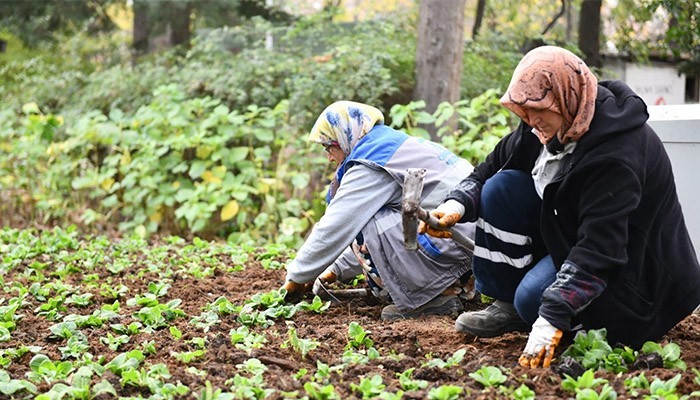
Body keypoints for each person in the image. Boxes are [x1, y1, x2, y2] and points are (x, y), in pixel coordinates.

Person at [421, 46, 700, 368]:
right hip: (576, 239)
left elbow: (600, 250)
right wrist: (456, 205)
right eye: (524, 114)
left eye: (538, 112)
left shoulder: (616, 155)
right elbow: (490, 167)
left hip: (638, 275)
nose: (531, 122)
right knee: (502, 187)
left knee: (536, 302)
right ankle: (506, 304)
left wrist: (550, 317)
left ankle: (585, 328)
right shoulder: (547, 124)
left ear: (565, 98)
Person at [282, 100, 476, 320]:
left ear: (345, 135)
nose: (329, 156)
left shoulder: (371, 161)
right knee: (369, 216)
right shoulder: (388, 146)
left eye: (329, 146)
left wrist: (296, 277)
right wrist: (335, 269)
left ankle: (430, 297)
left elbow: (338, 225)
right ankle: (447, 286)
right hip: (470, 245)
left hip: (457, 242)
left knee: (366, 218)